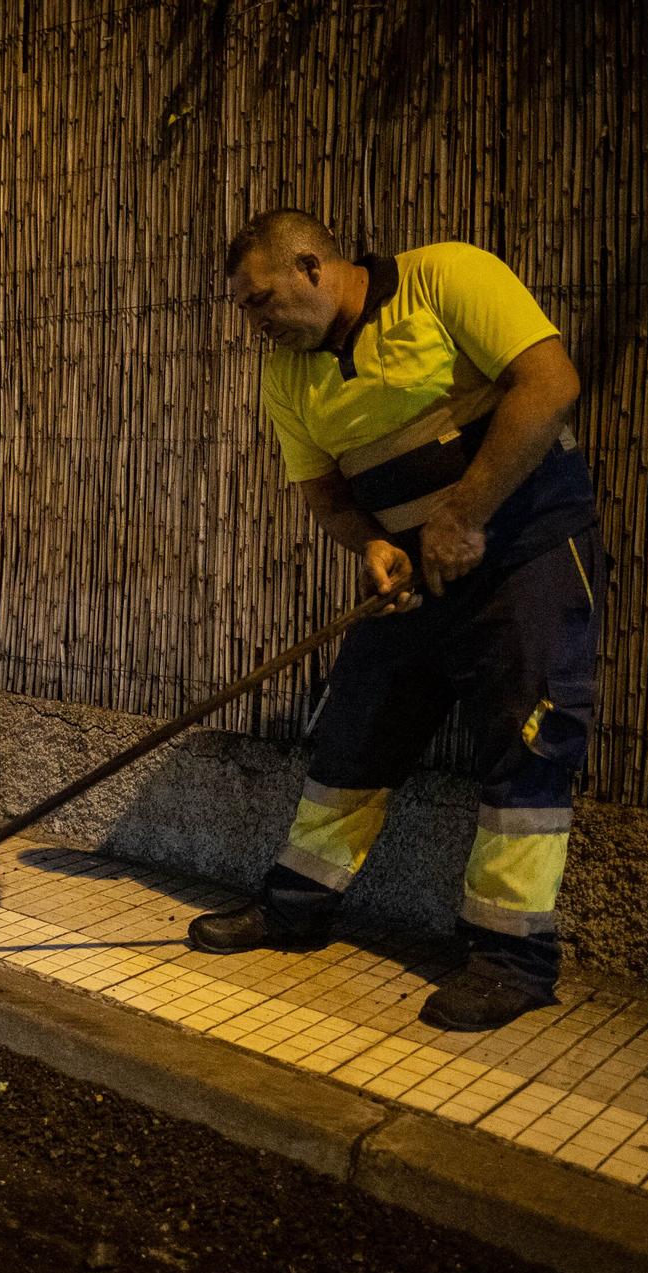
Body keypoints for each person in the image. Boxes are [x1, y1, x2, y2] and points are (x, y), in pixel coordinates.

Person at [191, 209, 605, 1032]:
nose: (255, 322)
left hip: (524, 550)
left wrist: (466, 510)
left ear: (311, 265)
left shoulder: (443, 278)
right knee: (354, 728)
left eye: (261, 300)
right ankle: (297, 906)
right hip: (413, 575)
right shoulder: (288, 372)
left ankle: (511, 956)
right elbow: (325, 496)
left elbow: (551, 382)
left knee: (527, 742)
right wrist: (374, 547)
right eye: (244, 307)